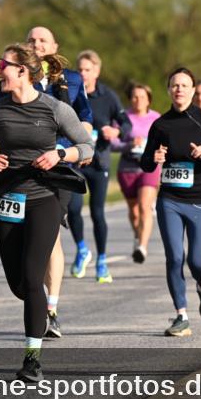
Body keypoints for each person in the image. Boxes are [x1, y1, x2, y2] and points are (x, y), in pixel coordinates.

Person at [0, 43, 94, 381]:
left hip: (44, 198)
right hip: (7, 200)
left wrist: (59, 154)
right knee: (19, 285)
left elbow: (86, 147)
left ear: (22, 72)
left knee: (31, 276)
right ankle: (40, 312)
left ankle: (32, 359)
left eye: (3, 64)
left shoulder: (54, 109)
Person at [140, 66, 201, 337]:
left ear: (193, 90)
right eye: (174, 85)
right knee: (174, 257)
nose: (179, 89)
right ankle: (181, 315)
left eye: (184, 85)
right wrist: (153, 159)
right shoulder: (160, 125)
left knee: (196, 260)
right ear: (169, 90)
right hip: (169, 198)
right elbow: (146, 163)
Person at [20, 27, 93, 338]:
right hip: (24, 166)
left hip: (60, 166)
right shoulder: (16, 76)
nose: (37, 44)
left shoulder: (73, 80)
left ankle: (50, 309)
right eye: (32, 40)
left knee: (49, 235)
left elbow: (86, 119)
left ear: (54, 46)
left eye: (43, 40)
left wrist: (78, 146)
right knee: (28, 238)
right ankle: (38, 300)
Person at [72, 50, 131, 283]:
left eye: (88, 70)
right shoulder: (71, 95)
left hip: (99, 161)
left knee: (98, 213)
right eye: (80, 70)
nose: (83, 74)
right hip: (75, 161)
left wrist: (116, 131)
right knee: (72, 209)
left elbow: (126, 123)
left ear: (97, 71)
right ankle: (81, 248)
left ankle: (102, 261)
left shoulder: (108, 96)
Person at [116, 82, 161, 263]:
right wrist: (129, 144)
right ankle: (138, 235)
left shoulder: (156, 118)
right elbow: (112, 143)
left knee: (144, 207)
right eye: (135, 96)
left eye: (142, 97)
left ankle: (142, 246)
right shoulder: (123, 117)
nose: (138, 100)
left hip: (148, 168)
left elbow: (164, 141)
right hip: (127, 167)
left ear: (148, 99)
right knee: (134, 212)